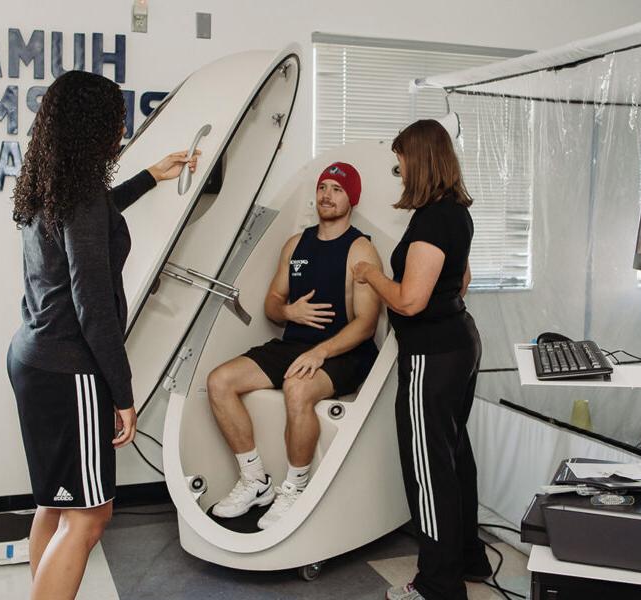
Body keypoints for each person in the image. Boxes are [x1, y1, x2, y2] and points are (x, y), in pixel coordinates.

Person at [6, 70, 197, 600]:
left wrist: (149, 177)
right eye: (116, 119)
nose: (121, 129)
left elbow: (94, 220)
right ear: (95, 126)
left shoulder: (51, 185)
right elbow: (95, 309)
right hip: (70, 368)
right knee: (89, 519)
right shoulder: (82, 195)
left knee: (56, 502)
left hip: (33, 357)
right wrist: (123, 394)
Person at [352, 119, 487, 600]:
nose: (399, 168)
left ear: (421, 160)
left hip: (432, 355)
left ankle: (438, 586)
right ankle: (469, 559)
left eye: (401, 159)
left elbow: (409, 301)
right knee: (453, 456)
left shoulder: (433, 220)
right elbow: (462, 280)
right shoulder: (456, 213)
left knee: (428, 470)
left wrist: (370, 274)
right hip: (459, 342)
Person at [206, 162, 382, 529]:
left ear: (352, 197)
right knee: (219, 381)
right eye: (323, 187)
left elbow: (366, 325)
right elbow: (272, 304)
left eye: (337, 188)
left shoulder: (360, 249)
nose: (327, 195)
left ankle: (295, 490)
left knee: (297, 387)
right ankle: (255, 480)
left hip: (346, 351)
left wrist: (320, 352)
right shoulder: (296, 244)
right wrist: (290, 310)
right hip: (295, 344)